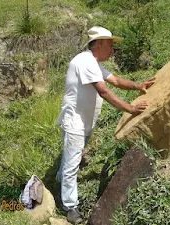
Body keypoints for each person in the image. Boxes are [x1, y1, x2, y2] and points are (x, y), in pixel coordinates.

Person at [55, 26, 155, 224]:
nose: (112, 50)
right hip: (75, 121)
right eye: (110, 45)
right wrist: (131, 108)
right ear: (99, 44)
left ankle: (58, 179)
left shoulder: (93, 62)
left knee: (71, 157)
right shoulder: (84, 62)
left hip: (83, 120)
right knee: (72, 164)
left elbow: (115, 80)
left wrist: (138, 85)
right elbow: (104, 91)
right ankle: (70, 206)